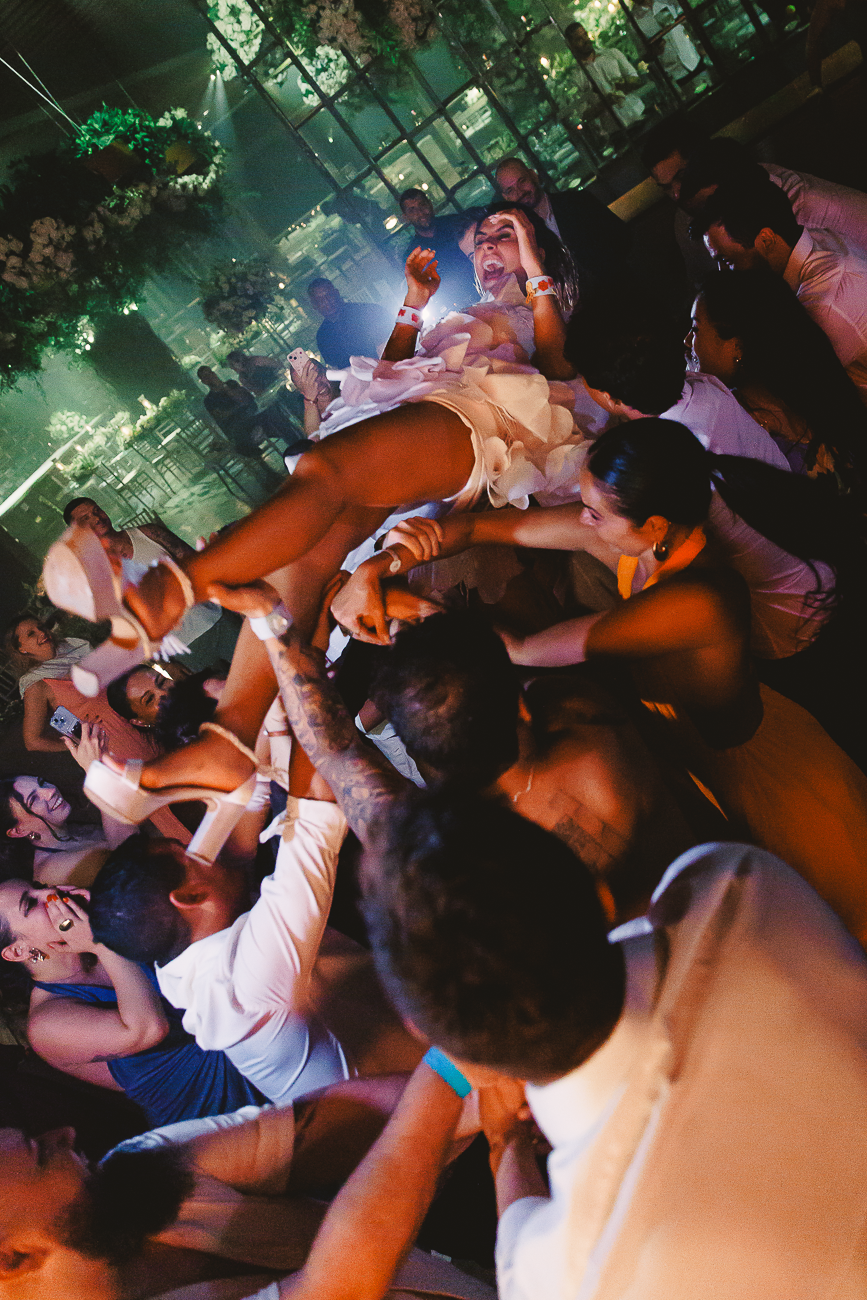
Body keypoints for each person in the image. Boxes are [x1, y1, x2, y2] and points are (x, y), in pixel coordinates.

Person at [43, 205, 592, 854]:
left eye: (507, 234)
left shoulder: (543, 307)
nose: (489, 247)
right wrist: (413, 307)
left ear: (537, 247)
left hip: (482, 423)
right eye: (482, 241)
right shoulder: (464, 311)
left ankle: (165, 593)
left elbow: (558, 367)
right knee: (307, 554)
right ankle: (229, 740)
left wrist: (535, 271)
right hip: (422, 418)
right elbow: (387, 380)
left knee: (322, 469)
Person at [361, 792, 867, 1300]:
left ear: (455, 1053)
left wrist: (505, 1146)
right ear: (599, 895)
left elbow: (521, 1246)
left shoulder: (574, 1281)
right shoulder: (731, 878)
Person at [492, 419, 867, 946]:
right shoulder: (646, 543)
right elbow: (505, 528)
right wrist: (433, 540)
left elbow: (527, 649)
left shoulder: (701, 599)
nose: (582, 519)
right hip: (713, 760)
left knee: (840, 921)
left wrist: (429, 613)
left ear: (653, 524)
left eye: (594, 512)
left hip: (771, 781)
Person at [87, 725, 422, 1105]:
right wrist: (288, 713)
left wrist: (250, 744)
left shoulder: (183, 945)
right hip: (446, 1098)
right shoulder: (245, 990)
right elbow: (317, 804)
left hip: (420, 1022)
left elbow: (245, 806)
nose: (201, 848)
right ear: (190, 896)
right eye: (188, 853)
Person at [0, 1064, 498, 1300]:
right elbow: (341, 1286)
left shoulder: (134, 1170)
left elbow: (346, 1120)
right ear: (10, 1259)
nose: (65, 1133)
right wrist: (445, 1073)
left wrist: (494, 1086)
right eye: (41, 1156)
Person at [0, 883, 263, 1127]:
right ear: (18, 951)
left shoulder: (100, 936)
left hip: (250, 1038)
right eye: (30, 904)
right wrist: (101, 944)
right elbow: (148, 1029)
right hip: (224, 1110)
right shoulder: (45, 1024)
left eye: (41, 887)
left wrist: (103, 911)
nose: (52, 894)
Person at [687, 268, 867, 484]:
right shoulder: (820, 390)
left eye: (695, 329)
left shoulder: (730, 423)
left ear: (737, 346)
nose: (687, 341)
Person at [700, 177, 867, 400]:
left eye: (727, 261)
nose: (723, 274)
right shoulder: (815, 238)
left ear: (767, 240)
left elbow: (790, 389)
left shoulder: (823, 305)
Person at [62, 498, 240, 682]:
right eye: (85, 519)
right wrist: (165, 665)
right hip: (181, 650)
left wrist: (235, 602)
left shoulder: (149, 534)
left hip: (215, 618)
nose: (97, 518)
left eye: (96, 510)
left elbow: (199, 566)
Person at [0, 731, 133, 887]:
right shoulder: (49, 871)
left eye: (42, 783)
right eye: (34, 799)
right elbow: (134, 860)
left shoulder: (71, 829)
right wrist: (97, 773)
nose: (50, 791)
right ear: (18, 831)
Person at [494, 157, 631, 300]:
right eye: (510, 190)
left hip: (622, 290)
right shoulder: (519, 239)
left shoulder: (578, 201)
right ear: (505, 197)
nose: (519, 192)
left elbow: (622, 236)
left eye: (522, 181)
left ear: (533, 175)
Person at [397, 188, 479, 309]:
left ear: (430, 204)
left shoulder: (457, 223)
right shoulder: (413, 255)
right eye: (412, 210)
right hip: (457, 306)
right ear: (405, 217)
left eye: (422, 205)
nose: (420, 212)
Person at [562, 21, 647, 137]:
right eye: (579, 39)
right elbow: (584, 115)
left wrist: (623, 85)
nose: (585, 40)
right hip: (616, 131)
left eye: (585, 35)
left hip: (638, 114)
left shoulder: (612, 54)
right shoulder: (576, 77)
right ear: (571, 46)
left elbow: (636, 79)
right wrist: (605, 103)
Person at [307, 278, 392, 369]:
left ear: (336, 293)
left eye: (329, 296)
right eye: (320, 300)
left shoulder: (368, 311)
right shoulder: (322, 337)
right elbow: (335, 367)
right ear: (314, 306)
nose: (327, 302)